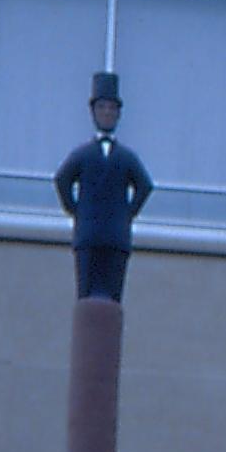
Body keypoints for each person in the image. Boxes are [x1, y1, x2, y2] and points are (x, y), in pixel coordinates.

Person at [55, 71, 152, 302]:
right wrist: (76, 210)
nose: (107, 113)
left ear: (118, 114)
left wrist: (127, 214)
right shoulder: (83, 154)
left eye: (111, 109)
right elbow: (62, 179)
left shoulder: (126, 157)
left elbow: (145, 185)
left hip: (117, 239)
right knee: (86, 298)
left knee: (113, 298)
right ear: (93, 112)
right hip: (88, 237)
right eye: (102, 108)